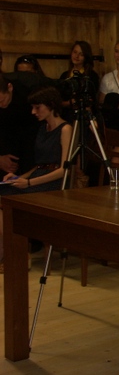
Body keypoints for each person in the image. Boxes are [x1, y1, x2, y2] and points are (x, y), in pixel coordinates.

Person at [0, 86, 72, 272]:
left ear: (51, 105)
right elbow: (39, 165)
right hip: (38, 176)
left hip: (54, 183)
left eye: (37, 107)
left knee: (8, 199)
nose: (33, 112)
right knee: (3, 191)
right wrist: (18, 177)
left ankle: (16, 255)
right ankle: (10, 252)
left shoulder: (65, 129)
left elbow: (63, 170)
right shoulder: (42, 128)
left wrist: (28, 182)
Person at [0, 74, 41, 177]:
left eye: (1, 101)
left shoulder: (27, 92)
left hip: (30, 145)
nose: (0, 105)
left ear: (10, 87)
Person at [58, 41, 100, 122]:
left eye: (81, 54)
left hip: (84, 116)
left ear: (86, 57)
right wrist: (69, 103)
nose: (76, 56)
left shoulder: (91, 76)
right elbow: (58, 99)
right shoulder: (64, 75)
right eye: (75, 52)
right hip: (65, 116)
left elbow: (92, 100)